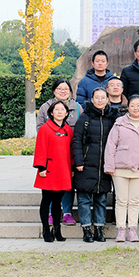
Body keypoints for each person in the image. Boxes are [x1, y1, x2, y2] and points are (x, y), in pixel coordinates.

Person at [104, 95, 139, 243]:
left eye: (138, 105)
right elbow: (111, 145)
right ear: (128, 107)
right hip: (120, 168)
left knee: (134, 201)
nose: (135, 108)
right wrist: (109, 165)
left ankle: (133, 230)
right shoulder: (119, 123)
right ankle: (121, 230)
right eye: (132, 105)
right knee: (121, 200)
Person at [72, 88, 117, 243]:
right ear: (92, 99)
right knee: (84, 199)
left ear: (107, 99)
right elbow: (76, 140)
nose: (100, 100)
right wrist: (78, 161)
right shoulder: (84, 117)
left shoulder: (112, 117)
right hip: (86, 164)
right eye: (97, 97)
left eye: (103, 97)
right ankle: (86, 229)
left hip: (104, 165)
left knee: (101, 199)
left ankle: (99, 228)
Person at [36, 78, 82, 227]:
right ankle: (50, 215)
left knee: (68, 184)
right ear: (54, 91)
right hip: (51, 153)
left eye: (66, 88)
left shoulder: (77, 107)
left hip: (68, 152)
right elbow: (40, 129)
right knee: (50, 188)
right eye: (60, 88)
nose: (63, 91)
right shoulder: (45, 107)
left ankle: (67, 213)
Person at [34, 101, 73, 242]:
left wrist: (72, 167)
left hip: (63, 169)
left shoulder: (68, 130)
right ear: (51, 112)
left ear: (67, 113)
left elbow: (71, 150)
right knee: (47, 199)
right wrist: (41, 167)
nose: (60, 112)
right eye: (57, 109)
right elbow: (40, 148)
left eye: (62, 109)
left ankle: (57, 229)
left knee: (58, 201)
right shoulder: (45, 128)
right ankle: (46, 229)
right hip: (48, 169)